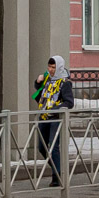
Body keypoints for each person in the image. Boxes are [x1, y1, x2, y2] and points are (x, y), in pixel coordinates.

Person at [34, 56, 75, 186]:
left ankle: (57, 177)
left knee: (53, 147)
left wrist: (56, 109)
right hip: (44, 116)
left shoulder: (65, 82)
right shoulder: (48, 79)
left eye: (53, 67)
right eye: (49, 66)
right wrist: (38, 81)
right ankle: (57, 170)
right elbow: (42, 93)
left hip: (56, 118)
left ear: (59, 67)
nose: (51, 70)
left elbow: (69, 102)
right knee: (42, 147)